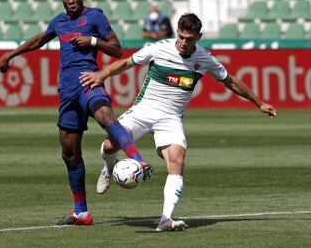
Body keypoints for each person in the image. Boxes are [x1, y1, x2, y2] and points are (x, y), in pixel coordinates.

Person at [79, 13, 277, 232]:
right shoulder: (158, 49)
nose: (184, 42)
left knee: (177, 161)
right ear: (177, 33)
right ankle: (109, 166)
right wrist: (102, 75)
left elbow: (230, 82)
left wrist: (259, 103)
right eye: (181, 36)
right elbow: (126, 63)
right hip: (143, 111)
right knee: (108, 146)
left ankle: (165, 219)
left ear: (198, 37)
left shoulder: (204, 59)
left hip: (170, 118)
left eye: (189, 38)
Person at [0, 0, 153, 226]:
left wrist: (92, 41)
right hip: (67, 90)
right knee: (69, 153)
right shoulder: (58, 21)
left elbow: (117, 49)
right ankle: (81, 212)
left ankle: (138, 160)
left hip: (88, 80)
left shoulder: (95, 17)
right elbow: (40, 39)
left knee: (106, 117)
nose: (71, 1)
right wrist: (11, 54)